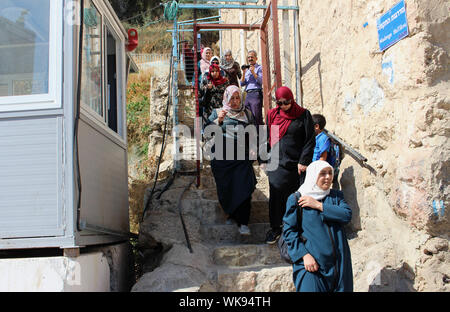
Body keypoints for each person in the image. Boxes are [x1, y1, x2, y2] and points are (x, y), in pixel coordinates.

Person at [282, 160, 353, 292]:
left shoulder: (336, 196)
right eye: (323, 173)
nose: (328, 177)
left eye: (330, 173)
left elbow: (346, 215)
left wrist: (318, 205)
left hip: (339, 265)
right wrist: (304, 255)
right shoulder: (297, 199)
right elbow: (289, 232)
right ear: (313, 175)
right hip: (311, 265)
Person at [264, 86, 315, 244]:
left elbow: (309, 140)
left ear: (292, 99)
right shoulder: (273, 114)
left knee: (296, 196)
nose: (283, 106)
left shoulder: (303, 115)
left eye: (286, 102)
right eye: (280, 103)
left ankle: (296, 228)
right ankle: (276, 228)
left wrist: (304, 161)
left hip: (296, 164)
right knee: (276, 194)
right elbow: (269, 137)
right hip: (277, 162)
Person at [206, 85, 258, 235]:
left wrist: (253, 146)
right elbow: (207, 133)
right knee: (226, 188)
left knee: (244, 188)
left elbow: (253, 132)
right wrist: (219, 121)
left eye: (237, 98)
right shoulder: (217, 112)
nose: (235, 101)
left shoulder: (247, 113)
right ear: (226, 98)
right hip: (223, 159)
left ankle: (243, 222)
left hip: (242, 157)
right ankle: (230, 213)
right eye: (232, 98)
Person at [240, 50, 263, 125]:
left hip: (256, 93)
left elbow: (260, 81)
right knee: (248, 116)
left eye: (252, 57)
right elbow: (242, 83)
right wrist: (243, 73)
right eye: (248, 57)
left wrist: (253, 72)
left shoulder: (259, 68)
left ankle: (260, 135)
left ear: (256, 58)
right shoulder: (247, 70)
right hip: (248, 95)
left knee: (257, 116)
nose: (250, 59)